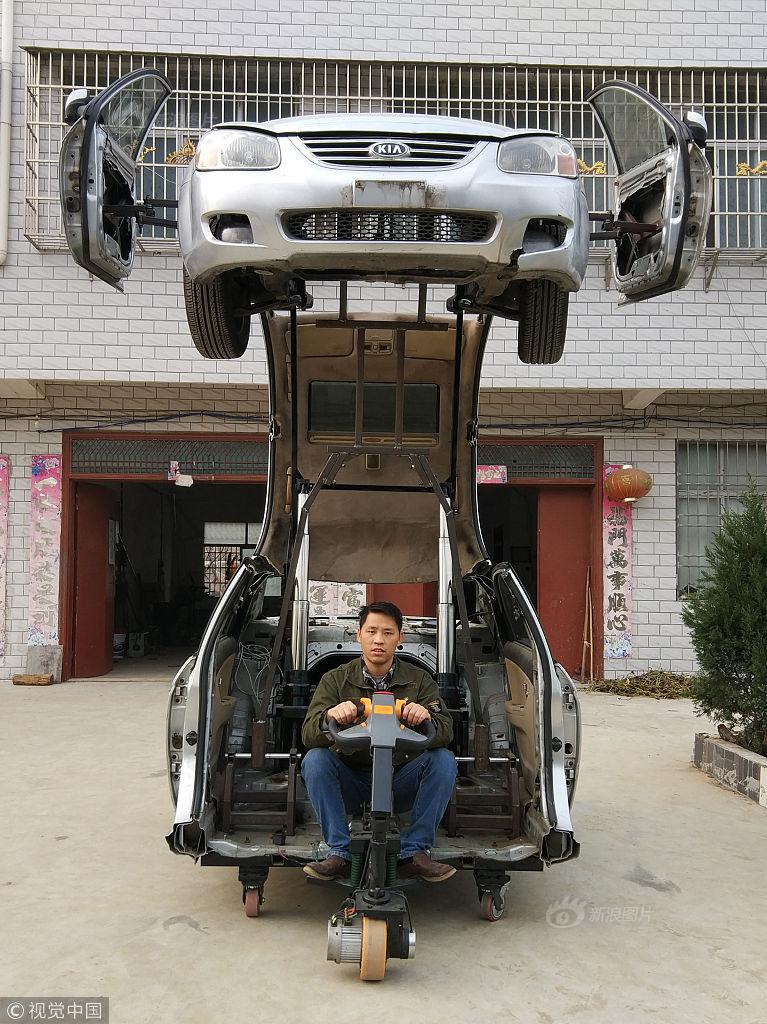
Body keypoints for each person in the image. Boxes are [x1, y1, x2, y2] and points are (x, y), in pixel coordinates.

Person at [300, 601, 458, 882]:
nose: (378, 640)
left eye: (387, 633)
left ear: (400, 638)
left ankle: (415, 852)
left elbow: (446, 731)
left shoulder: (420, 681)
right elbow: (308, 734)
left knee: (444, 760)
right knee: (315, 760)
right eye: (371, 631)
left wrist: (425, 719)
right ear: (358, 634)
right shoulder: (335, 680)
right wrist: (330, 717)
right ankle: (340, 853)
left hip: (399, 782)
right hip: (351, 781)